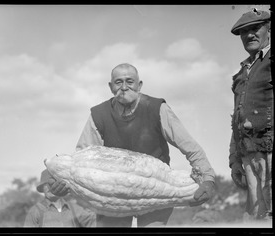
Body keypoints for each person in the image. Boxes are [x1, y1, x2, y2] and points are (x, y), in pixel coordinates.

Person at [50, 63, 216, 227]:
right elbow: (80, 159)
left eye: (129, 81)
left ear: (139, 85)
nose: (124, 87)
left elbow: (190, 147)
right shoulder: (99, 114)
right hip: (112, 196)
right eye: (118, 82)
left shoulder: (157, 109)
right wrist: (64, 183)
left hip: (157, 190)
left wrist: (208, 179)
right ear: (110, 87)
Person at [229, 9, 272, 221]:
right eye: (244, 32)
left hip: (270, 152)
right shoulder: (241, 72)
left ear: (269, 29)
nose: (250, 35)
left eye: (256, 28)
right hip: (248, 156)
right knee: (256, 218)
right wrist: (234, 160)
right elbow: (236, 119)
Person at [24, 169, 96, 227]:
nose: (50, 188)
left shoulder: (75, 209)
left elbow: (95, 221)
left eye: (53, 184)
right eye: (46, 185)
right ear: (42, 188)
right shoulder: (35, 211)